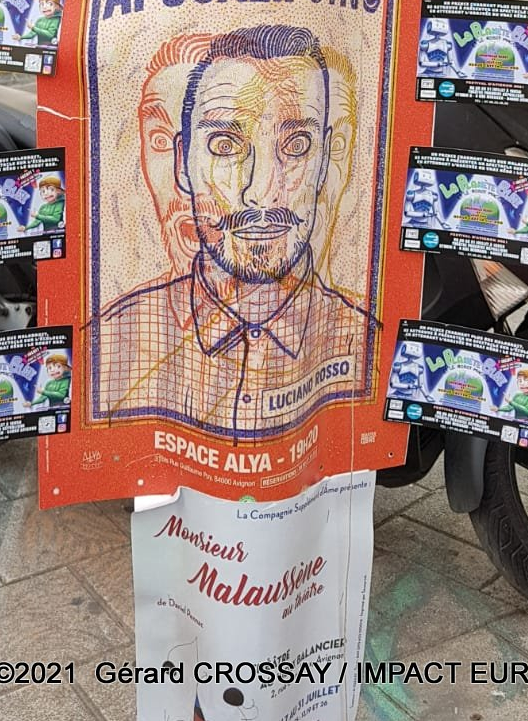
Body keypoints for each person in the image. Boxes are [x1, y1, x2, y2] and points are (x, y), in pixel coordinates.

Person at [96, 24, 368, 437]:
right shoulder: (110, 342)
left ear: (324, 162)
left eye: (296, 145)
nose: (261, 194)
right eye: (225, 146)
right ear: (183, 164)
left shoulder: (367, 345)